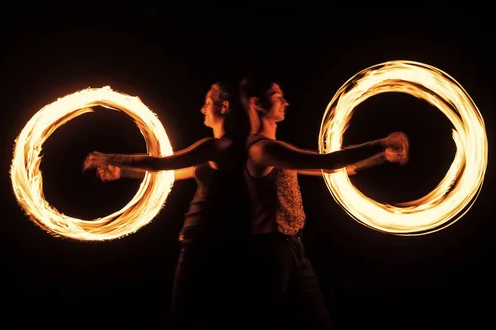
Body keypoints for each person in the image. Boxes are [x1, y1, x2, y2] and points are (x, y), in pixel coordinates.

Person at [238, 76, 409, 329]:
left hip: (293, 247)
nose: (286, 102)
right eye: (277, 97)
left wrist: (381, 157)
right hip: (270, 252)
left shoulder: (277, 149)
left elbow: (336, 170)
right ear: (258, 104)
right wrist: (381, 142)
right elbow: (328, 162)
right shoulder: (262, 149)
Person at [82, 82, 252, 329]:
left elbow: (160, 164)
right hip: (203, 240)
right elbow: (173, 173)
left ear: (224, 107)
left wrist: (110, 157)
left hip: (207, 242)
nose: (202, 109)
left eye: (207, 102)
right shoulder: (220, 150)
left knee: (187, 314)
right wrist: (123, 173)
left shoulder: (218, 146)